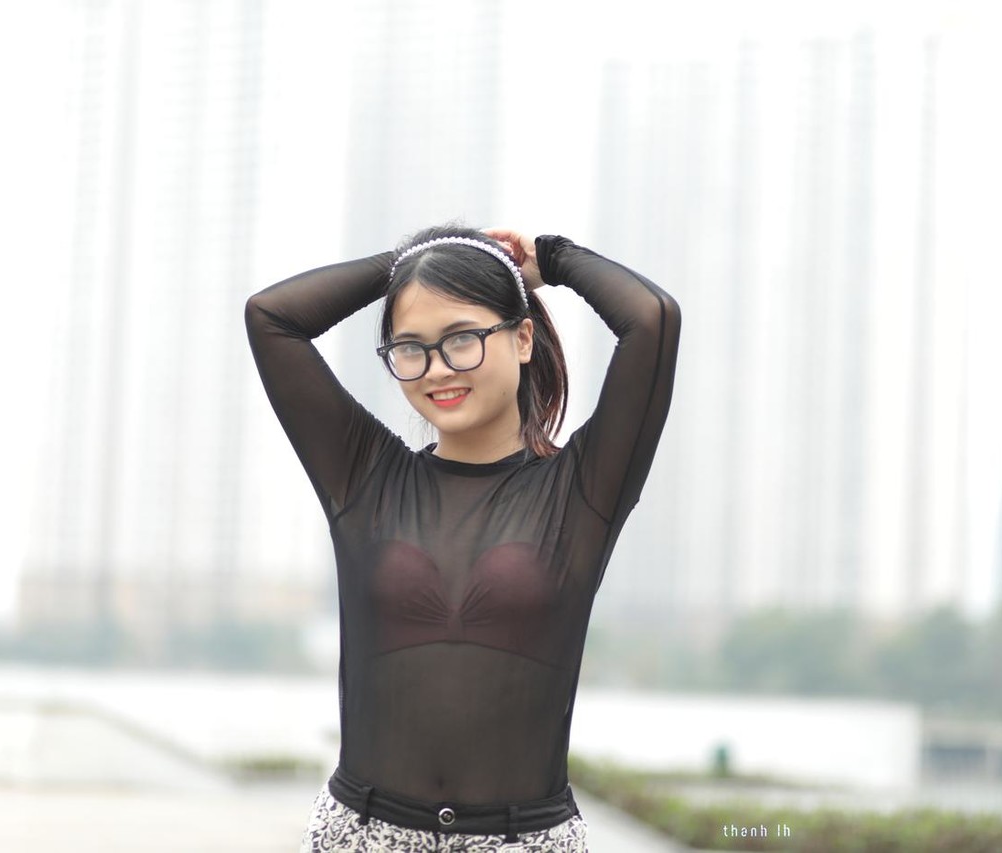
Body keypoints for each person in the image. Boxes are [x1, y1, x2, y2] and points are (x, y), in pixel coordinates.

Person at [245, 224, 681, 852]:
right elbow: (271, 317)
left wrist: (550, 258)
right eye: (411, 348)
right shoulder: (364, 477)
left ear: (522, 338)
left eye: (461, 339)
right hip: (360, 834)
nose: (437, 369)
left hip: (524, 840)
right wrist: (414, 260)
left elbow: (652, 319)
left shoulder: (583, 492)